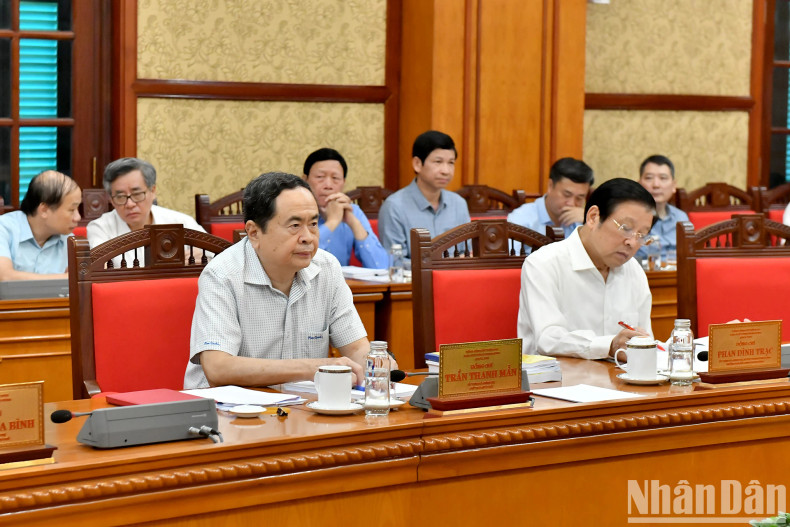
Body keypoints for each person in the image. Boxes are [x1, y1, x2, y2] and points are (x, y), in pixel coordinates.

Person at [184, 172, 396, 389]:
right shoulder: (222, 275)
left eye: (313, 224)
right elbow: (218, 368)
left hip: (301, 410)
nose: (308, 237)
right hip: (228, 414)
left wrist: (379, 365)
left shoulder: (327, 268)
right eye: (295, 226)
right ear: (254, 233)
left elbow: (357, 349)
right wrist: (315, 368)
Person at [518, 178, 657, 359]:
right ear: (593, 217)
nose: (632, 242)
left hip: (620, 382)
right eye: (625, 228)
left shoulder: (634, 271)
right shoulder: (543, 264)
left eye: (642, 235)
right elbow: (548, 339)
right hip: (556, 382)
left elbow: (644, 339)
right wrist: (609, 345)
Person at [87, 158, 205, 266]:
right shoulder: (100, 228)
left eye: (137, 194)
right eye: (120, 196)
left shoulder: (181, 221)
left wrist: (200, 257)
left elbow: (214, 255)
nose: (130, 204)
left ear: (152, 191)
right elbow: (98, 271)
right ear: (111, 199)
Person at [378, 130, 470, 258]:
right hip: (412, 278)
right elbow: (395, 262)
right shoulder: (394, 206)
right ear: (417, 164)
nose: (446, 171)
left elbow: (468, 253)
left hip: (454, 277)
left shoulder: (458, 204)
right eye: (438, 162)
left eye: (451, 163)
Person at [302, 148, 388, 268]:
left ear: (344, 182)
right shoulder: (296, 213)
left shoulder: (353, 212)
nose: (328, 185)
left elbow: (380, 267)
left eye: (335, 178)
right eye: (320, 177)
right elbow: (302, 263)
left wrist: (352, 221)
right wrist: (332, 222)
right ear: (305, 180)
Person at [0, 170, 81, 281]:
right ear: (44, 210)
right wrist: (66, 278)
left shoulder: (70, 241)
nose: (78, 217)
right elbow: (5, 277)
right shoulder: (4, 228)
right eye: (72, 210)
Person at [508, 157, 594, 239]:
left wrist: (588, 221)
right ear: (550, 186)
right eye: (566, 195)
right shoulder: (520, 220)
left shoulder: (583, 220)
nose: (571, 203)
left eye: (579, 198)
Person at [635, 155, 689, 262]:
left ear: (674, 185)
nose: (656, 185)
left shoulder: (681, 217)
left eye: (663, 178)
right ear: (639, 184)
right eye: (649, 178)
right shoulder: (631, 219)